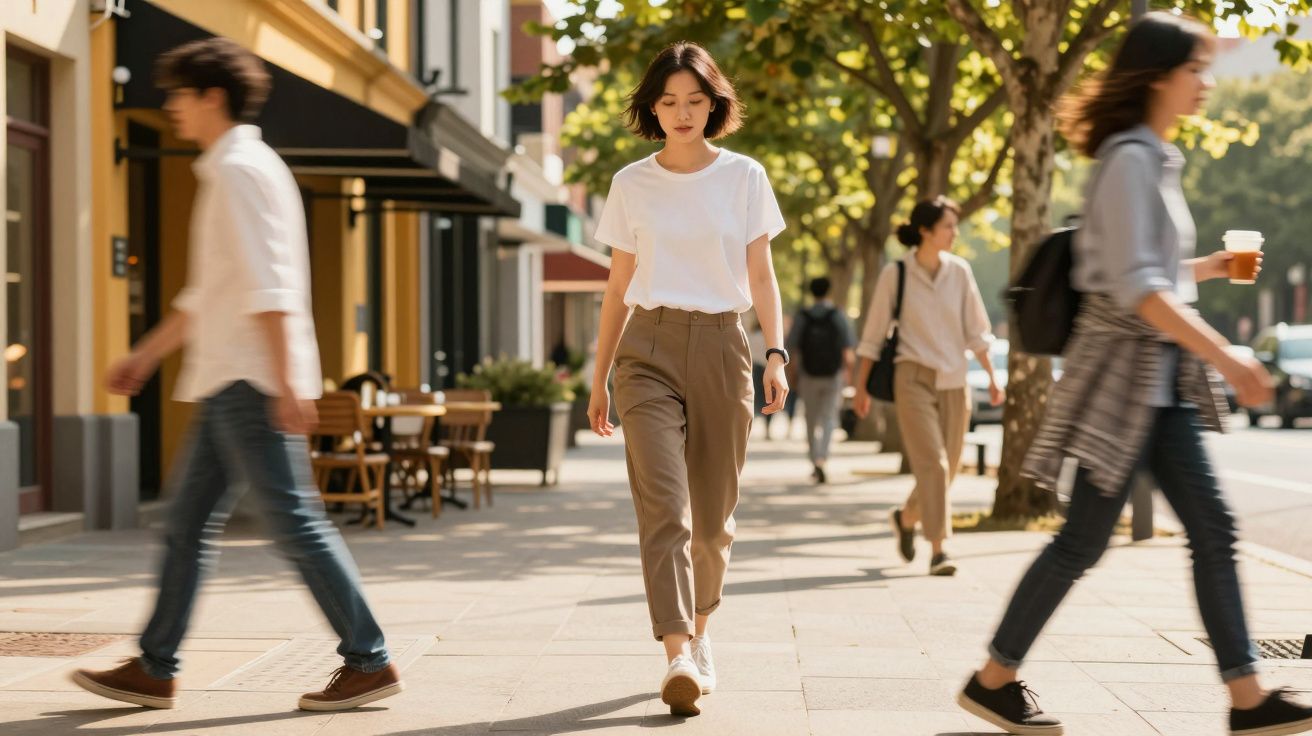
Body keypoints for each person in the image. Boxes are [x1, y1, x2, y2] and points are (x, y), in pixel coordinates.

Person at [956, 14, 1312, 736]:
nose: (1205, 85)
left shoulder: (1150, 157)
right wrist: (1229, 355)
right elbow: (1136, 290)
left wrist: (1205, 268)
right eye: (1195, 71)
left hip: (1150, 386)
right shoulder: (1129, 159)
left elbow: (1140, 271)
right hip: (1126, 387)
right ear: (1157, 76)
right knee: (1155, 536)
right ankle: (1242, 699)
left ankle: (998, 680)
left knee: (1138, 537)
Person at [71, 38, 401, 713]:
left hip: (250, 382)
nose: (170, 110)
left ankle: (368, 659)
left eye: (178, 96)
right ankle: (156, 666)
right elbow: (208, 294)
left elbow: (270, 284)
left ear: (211, 97)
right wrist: (146, 354)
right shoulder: (233, 168)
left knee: (294, 523)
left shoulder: (241, 170)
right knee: (188, 524)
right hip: (230, 378)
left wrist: (284, 381)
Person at [587, 41, 789, 717]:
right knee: (665, 508)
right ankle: (676, 652)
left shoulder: (744, 177)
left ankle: (702, 636)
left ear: (714, 104)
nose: (681, 113)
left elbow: (761, 274)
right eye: (668, 101)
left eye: (694, 101)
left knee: (712, 522)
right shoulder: (631, 184)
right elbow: (616, 287)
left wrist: (776, 353)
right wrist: (597, 380)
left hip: (725, 346)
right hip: (645, 349)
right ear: (652, 107)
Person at [853, 197, 1003, 577]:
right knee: (933, 466)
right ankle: (939, 550)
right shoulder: (896, 274)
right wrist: (860, 387)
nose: (955, 233)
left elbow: (977, 332)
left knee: (947, 469)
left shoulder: (960, 272)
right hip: (912, 377)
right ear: (925, 230)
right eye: (948, 226)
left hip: (955, 381)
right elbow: (873, 336)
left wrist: (991, 376)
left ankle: (905, 518)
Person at [786, 277, 857, 483]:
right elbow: (848, 347)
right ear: (829, 291)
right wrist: (849, 374)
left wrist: (792, 375)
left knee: (810, 418)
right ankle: (822, 458)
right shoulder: (837, 315)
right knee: (828, 418)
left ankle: (813, 459)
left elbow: (792, 348)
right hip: (833, 375)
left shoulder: (803, 316)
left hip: (808, 375)